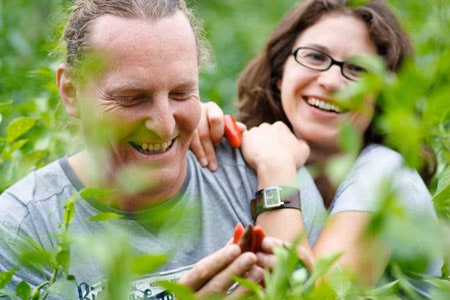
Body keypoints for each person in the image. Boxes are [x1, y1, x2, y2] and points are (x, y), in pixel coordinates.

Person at [0, 0, 317, 299]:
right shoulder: (21, 228)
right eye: (132, 98)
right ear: (70, 92)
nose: (165, 126)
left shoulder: (264, 181)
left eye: (181, 93)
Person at [190, 0, 441, 294]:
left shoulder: (387, 176)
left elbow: (313, 294)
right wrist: (190, 124)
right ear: (280, 73)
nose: (332, 81)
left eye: (358, 69)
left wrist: (277, 170)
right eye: (315, 56)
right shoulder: (257, 155)